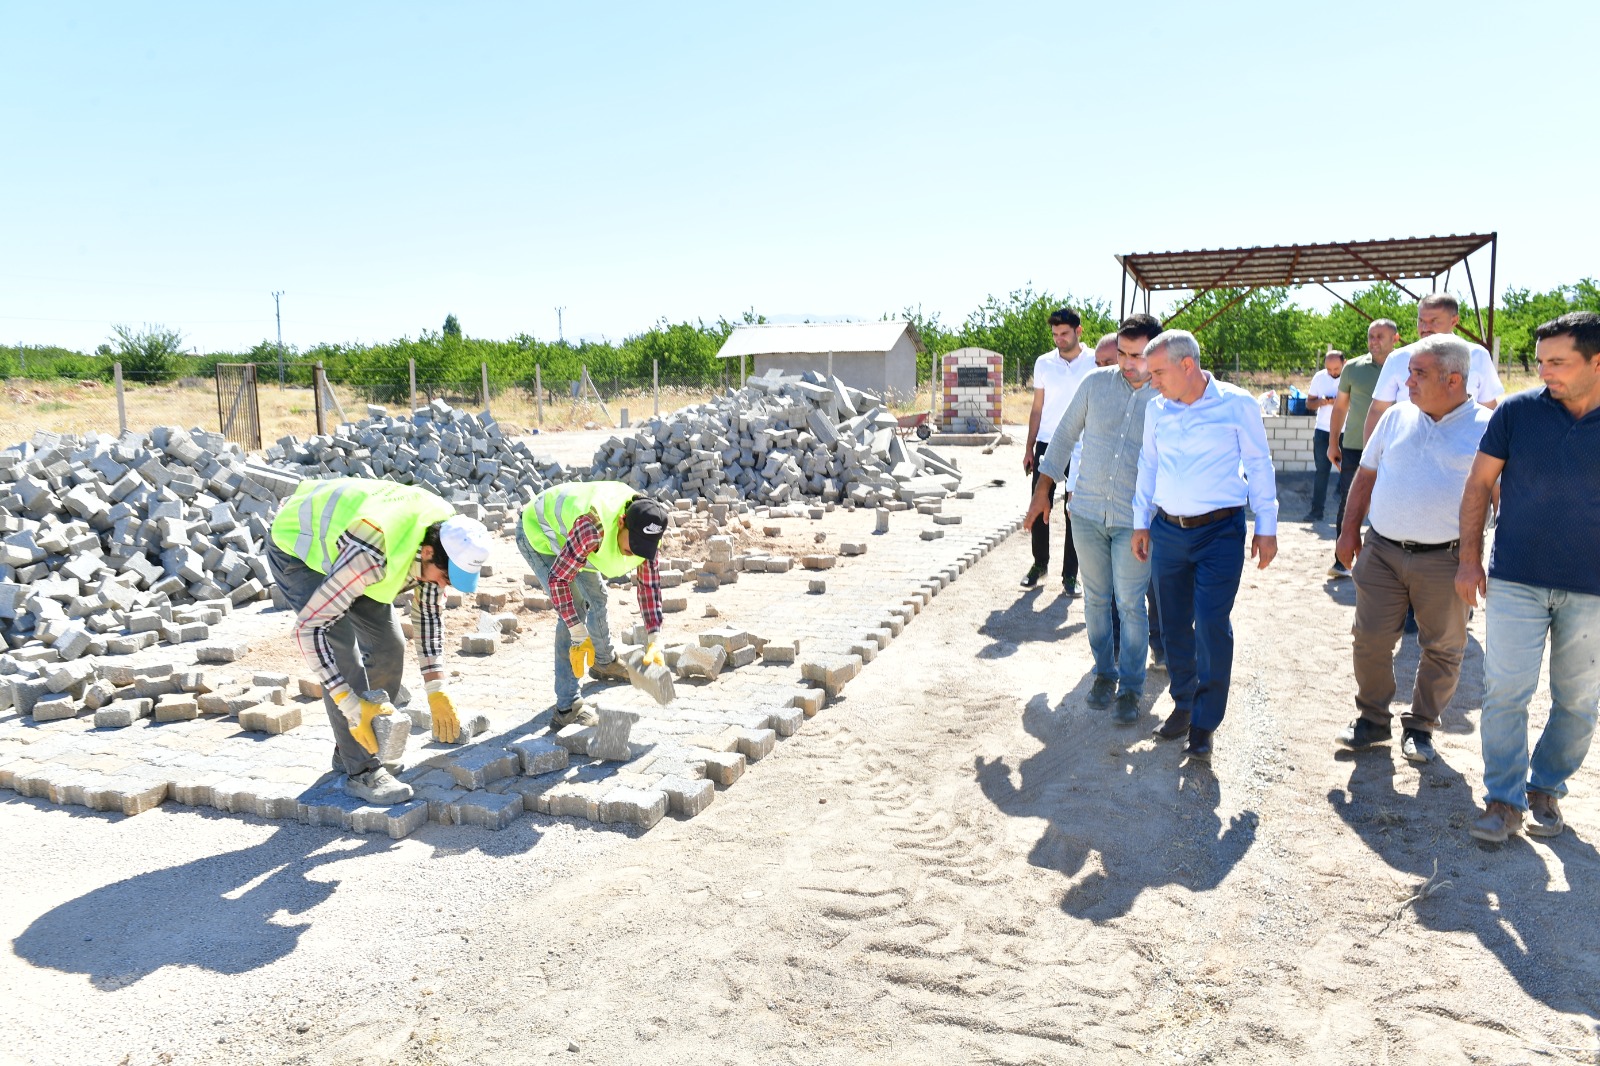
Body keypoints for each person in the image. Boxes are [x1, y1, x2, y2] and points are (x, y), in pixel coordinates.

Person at [1458, 312, 1600, 842]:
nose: (1546, 372)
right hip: (1517, 574)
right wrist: (1469, 558)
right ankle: (1503, 799)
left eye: (1559, 362)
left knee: (1579, 701)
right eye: (1541, 362)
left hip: (1593, 586)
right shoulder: (1517, 412)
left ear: (1596, 362)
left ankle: (1546, 789)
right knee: (1505, 692)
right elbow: (1478, 487)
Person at [267, 477, 491, 805]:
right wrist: (350, 704)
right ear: (428, 554)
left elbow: (429, 612)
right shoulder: (371, 553)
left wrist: (436, 687)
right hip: (300, 552)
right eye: (446, 577)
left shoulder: (445, 532)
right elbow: (310, 630)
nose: (448, 585)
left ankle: (350, 748)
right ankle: (361, 772)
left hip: (350, 555)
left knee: (389, 647)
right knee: (342, 651)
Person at [1333, 336, 1492, 764]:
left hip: (1447, 559)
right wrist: (1349, 532)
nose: (1408, 381)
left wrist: (1477, 561)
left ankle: (1420, 727)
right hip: (1382, 550)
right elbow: (1364, 476)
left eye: (1419, 374)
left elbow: (1500, 498)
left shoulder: (1487, 427)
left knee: (1442, 647)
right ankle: (1372, 719)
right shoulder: (1396, 416)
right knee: (1369, 638)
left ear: (1454, 379)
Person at [1131, 330, 1278, 761]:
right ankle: (1184, 702)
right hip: (1168, 531)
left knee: (1211, 623)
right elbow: (1148, 465)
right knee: (1173, 623)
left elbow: (1258, 463)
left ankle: (1205, 723)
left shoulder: (1237, 404)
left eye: (1157, 371)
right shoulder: (1156, 409)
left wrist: (1266, 525)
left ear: (1187, 366)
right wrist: (1142, 522)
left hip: (1220, 532)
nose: (1150, 380)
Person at [1026, 314, 1162, 724]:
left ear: (1155, 352)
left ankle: (1132, 688)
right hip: (1085, 512)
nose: (1127, 363)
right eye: (1121, 353)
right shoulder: (1094, 385)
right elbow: (1064, 436)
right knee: (1097, 601)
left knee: (1131, 604)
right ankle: (1105, 674)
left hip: (1133, 520)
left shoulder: (1167, 396)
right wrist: (1042, 490)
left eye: (1137, 355)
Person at [517, 482, 671, 729]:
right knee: (575, 608)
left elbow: (649, 585)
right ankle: (567, 706)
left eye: (644, 549)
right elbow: (559, 580)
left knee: (597, 595)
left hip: (573, 540)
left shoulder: (648, 535)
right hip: (539, 532)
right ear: (621, 522)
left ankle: (603, 661)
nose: (635, 554)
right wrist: (578, 633)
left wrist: (654, 637)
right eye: (633, 546)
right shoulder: (592, 527)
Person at [1362, 293, 1505, 443]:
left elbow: (1489, 408)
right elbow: (1378, 410)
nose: (1425, 328)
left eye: (1433, 321)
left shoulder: (1477, 356)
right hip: (1408, 453)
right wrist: (1369, 460)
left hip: (1463, 455)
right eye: (1421, 321)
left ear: (1454, 320)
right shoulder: (1398, 358)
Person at [1022, 308, 1096, 594]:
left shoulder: (1094, 361)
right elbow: (1037, 408)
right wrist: (1029, 446)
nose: (1059, 339)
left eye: (1064, 333)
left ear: (1079, 331)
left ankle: (1070, 575)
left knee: (1073, 511)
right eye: (1054, 334)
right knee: (1040, 505)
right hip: (1048, 444)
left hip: (1082, 444)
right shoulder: (1044, 363)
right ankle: (1039, 565)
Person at [1327, 320, 1400, 577]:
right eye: (1371, 336)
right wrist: (1332, 442)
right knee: (1349, 502)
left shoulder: (1408, 366)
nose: (1374, 341)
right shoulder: (1353, 369)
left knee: (1392, 503)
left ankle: (1387, 565)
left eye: (1380, 336)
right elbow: (1339, 407)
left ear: (1396, 338)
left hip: (1398, 449)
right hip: (1357, 447)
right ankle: (1341, 561)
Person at [1300, 349, 1345, 522]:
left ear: (1344, 363)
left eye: (1336, 369)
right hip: (1322, 432)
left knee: (1349, 471)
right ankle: (1316, 510)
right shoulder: (1319, 377)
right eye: (1329, 370)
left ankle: (1349, 514)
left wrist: (1340, 401)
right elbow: (1309, 404)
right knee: (1321, 472)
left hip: (1346, 431)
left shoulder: (1350, 375)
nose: (1333, 373)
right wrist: (1322, 402)